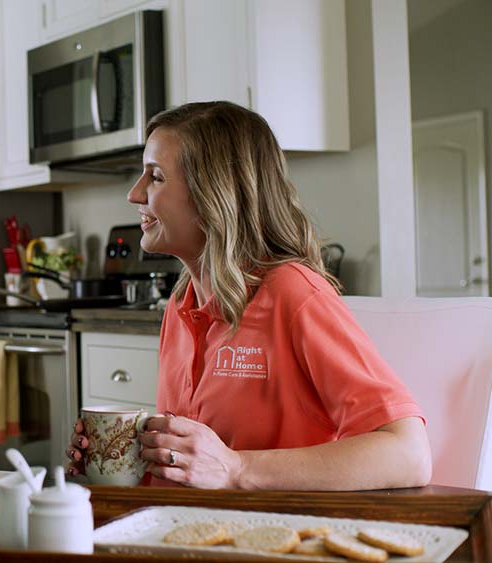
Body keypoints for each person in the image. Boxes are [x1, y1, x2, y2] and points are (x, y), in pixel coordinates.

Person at [67, 102, 432, 490]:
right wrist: (117, 460)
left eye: (155, 177)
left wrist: (238, 468)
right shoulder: (181, 304)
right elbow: (200, 467)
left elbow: (409, 454)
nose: (134, 194)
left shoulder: (294, 293)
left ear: (213, 193)